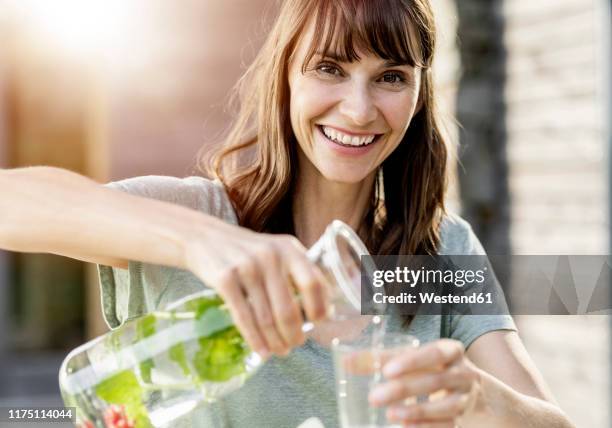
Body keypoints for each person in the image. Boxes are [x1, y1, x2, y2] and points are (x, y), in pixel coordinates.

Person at [0, 0, 574, 427]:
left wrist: (479, 397)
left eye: (391, 77)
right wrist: (198, 241)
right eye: (329, 68)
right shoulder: (198, 214)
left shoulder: (440, 253)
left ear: (420, 93)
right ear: (288, 75)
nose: (358, 109)